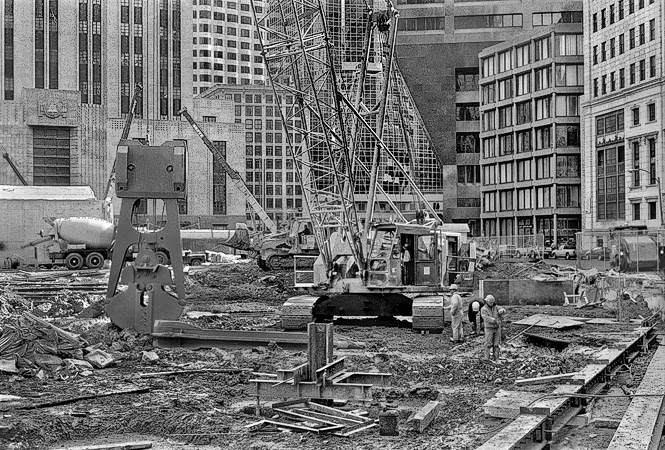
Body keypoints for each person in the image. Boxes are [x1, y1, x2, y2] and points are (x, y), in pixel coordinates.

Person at [481, 295, 505, 361]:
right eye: (490, 302)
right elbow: (486, 318)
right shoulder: (483, 309)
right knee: (488, 344)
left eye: (492, 302)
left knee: (496, 344)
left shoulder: (495, 307)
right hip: (489, 328)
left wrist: (502, 310)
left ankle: (496, 358)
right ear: (487, 302)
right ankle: (486, 358)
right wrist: (494, 320)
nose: (491, 304)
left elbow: (503, 309)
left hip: (497, 328)